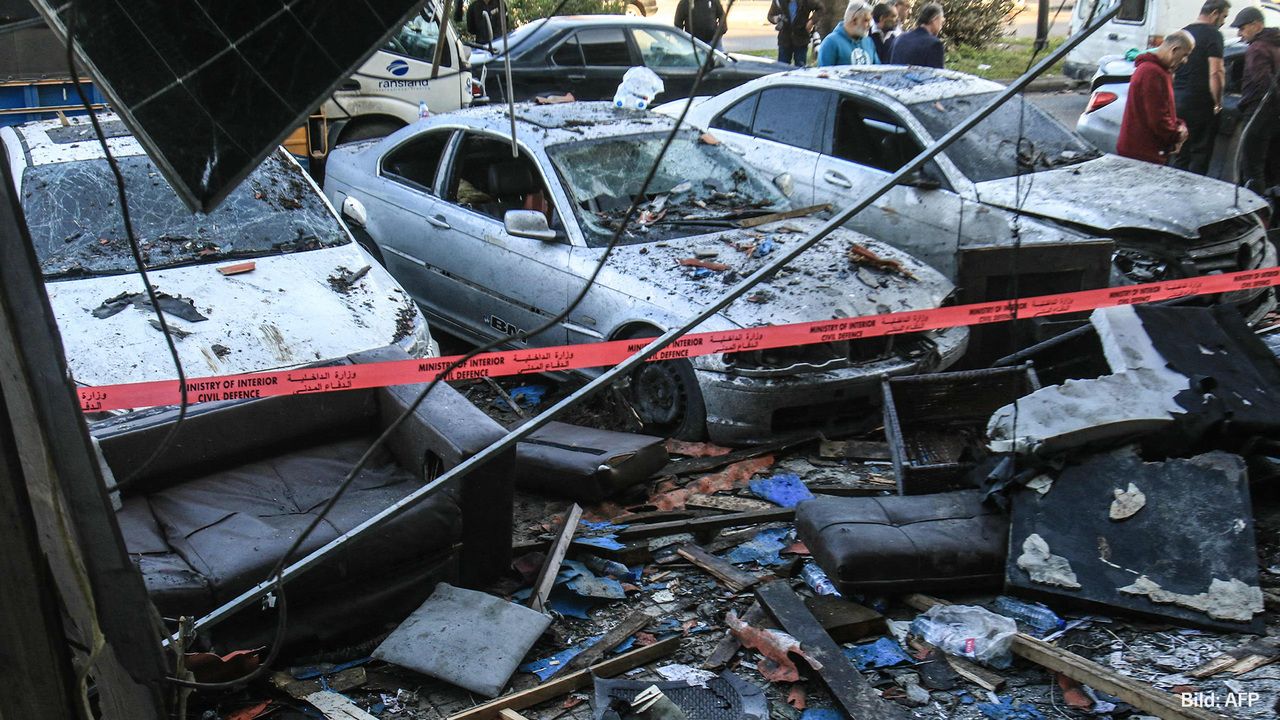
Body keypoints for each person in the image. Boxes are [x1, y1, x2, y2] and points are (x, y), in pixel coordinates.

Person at [1116, 32, 1196, 164]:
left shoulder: (1161, 71)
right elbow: (1158, 119)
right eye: (1185, 55)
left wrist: (1179, 126)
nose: (1185, 61)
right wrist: (1177, 135)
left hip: (1147, 151)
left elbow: (1165, 111)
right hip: (1142, 154)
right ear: (1174, 50)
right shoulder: (1151, 72)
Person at [1172, 0, 1230, 174]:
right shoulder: (1214, 35)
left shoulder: (1183, 32)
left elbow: (1172, 69)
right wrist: (1218, 102)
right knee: (1200, 155)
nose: (1224, 22)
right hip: (1200, 104)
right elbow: (1216, 72)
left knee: (1180, 154)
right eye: (1224, 16)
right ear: (1214, 13)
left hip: (1177, 101)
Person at [1232, 6, 1280, 192]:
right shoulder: (1275, 45)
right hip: (1275, 116)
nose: (1240, 33)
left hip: (1259, 112)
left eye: (1242, 28)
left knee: (1251, 167)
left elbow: (1264, 84)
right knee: (1274, 167)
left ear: (1257, 25)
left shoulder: (1257, 49)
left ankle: (1253, 213)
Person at [817, 1, 879, 66]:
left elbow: (878, 70)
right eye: (866, 20)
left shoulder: (868, 42)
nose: (870, 25)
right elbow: (824, 73)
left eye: (870, 21)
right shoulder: (830, 43)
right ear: (854, 20)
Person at [768, 0, 823, 67]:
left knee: (800, 68)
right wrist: (776, 19)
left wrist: (811, 21)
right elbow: (770, 16)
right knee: (782, 68)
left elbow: (820, 8)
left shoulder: (806, 1)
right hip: (784, 40)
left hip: (801, 39)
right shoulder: (778, 1)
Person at [890, 2, 944, 68]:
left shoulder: (899, 39)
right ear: (934, 19)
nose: (942, 24)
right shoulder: (934, 44)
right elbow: (936, 76)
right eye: (941, 20)